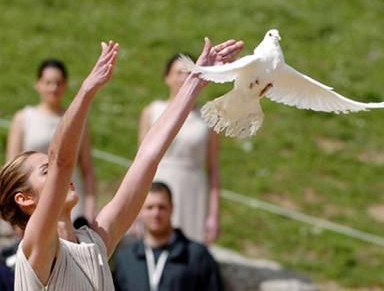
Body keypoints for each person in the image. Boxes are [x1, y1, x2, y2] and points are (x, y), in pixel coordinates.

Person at [0, 38, 243, 290]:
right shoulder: (35, 247)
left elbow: (148, 156)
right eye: (45, 171)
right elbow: (62, 161)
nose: (61, 175)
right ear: (25, 199)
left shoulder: (96, 242)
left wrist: (195, 82)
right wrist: (86, 92)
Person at [139, 54, 220, 244]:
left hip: (193, 190)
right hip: (157, 185)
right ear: (167, 77)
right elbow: (140, 162)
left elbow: (214, 168)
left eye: (188, 73)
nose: (183, 78)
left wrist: (213, 214)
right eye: (178, 73)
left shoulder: (208, 118)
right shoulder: (152, 111)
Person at [6, 59, 96, 225]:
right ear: (38, 84)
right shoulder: (24, 118)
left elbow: (87, 168)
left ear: (65, 85)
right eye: (48, 83)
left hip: (71, 199)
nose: (53, 88)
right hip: (35, 201)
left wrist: (90, 208)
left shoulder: (76, 120)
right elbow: (12, 167)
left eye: (58, 83)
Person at [113, 182, 224, 291]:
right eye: (149, 207)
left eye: (161, 207)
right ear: (140, 211)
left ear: (172, 208)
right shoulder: (125, 259)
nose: (156, 213)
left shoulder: (197, 255)